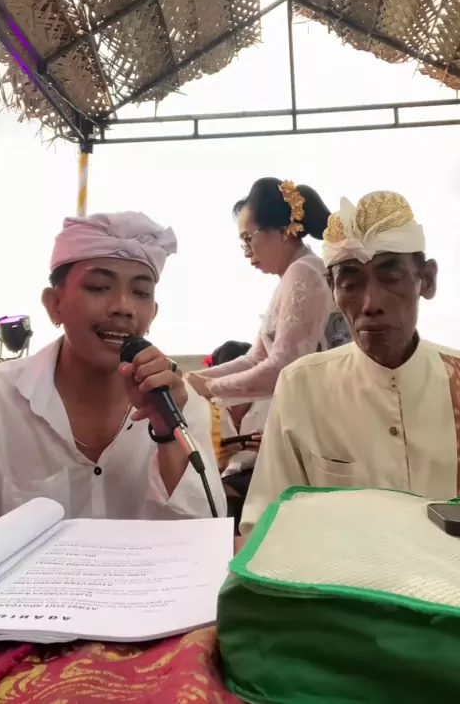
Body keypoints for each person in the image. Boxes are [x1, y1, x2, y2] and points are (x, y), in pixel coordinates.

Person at [0, 211, 226, 526]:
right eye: (98, 287)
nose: (123, 306)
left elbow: (205, 533)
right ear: (54, 304)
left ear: (153, 313)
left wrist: (168, 435)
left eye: (141, 292)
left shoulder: (180, 404)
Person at [240, 189, 460, 535]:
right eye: (350, 283)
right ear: (332, 290)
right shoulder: (302, 388)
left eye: (391, 277)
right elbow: (265, 526)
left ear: (427, 280)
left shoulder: (456, 380)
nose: (371, 303)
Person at [187, 178, 350, 405]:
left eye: (248, 239)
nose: (246, 252)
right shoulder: (295, 273)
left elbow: (284, 367)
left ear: (283, 231)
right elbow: (255, 359)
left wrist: (207, 387)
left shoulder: (304, 271)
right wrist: (193, 379)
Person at [205, 340, 270, 532]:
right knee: (222, 495)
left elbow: (290, 452)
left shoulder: (272, 403)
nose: (238, 387)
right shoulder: (206, 409)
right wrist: (218, 459)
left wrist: (269, 449)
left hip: (261, 475)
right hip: (223, 480)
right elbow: (197, 468)